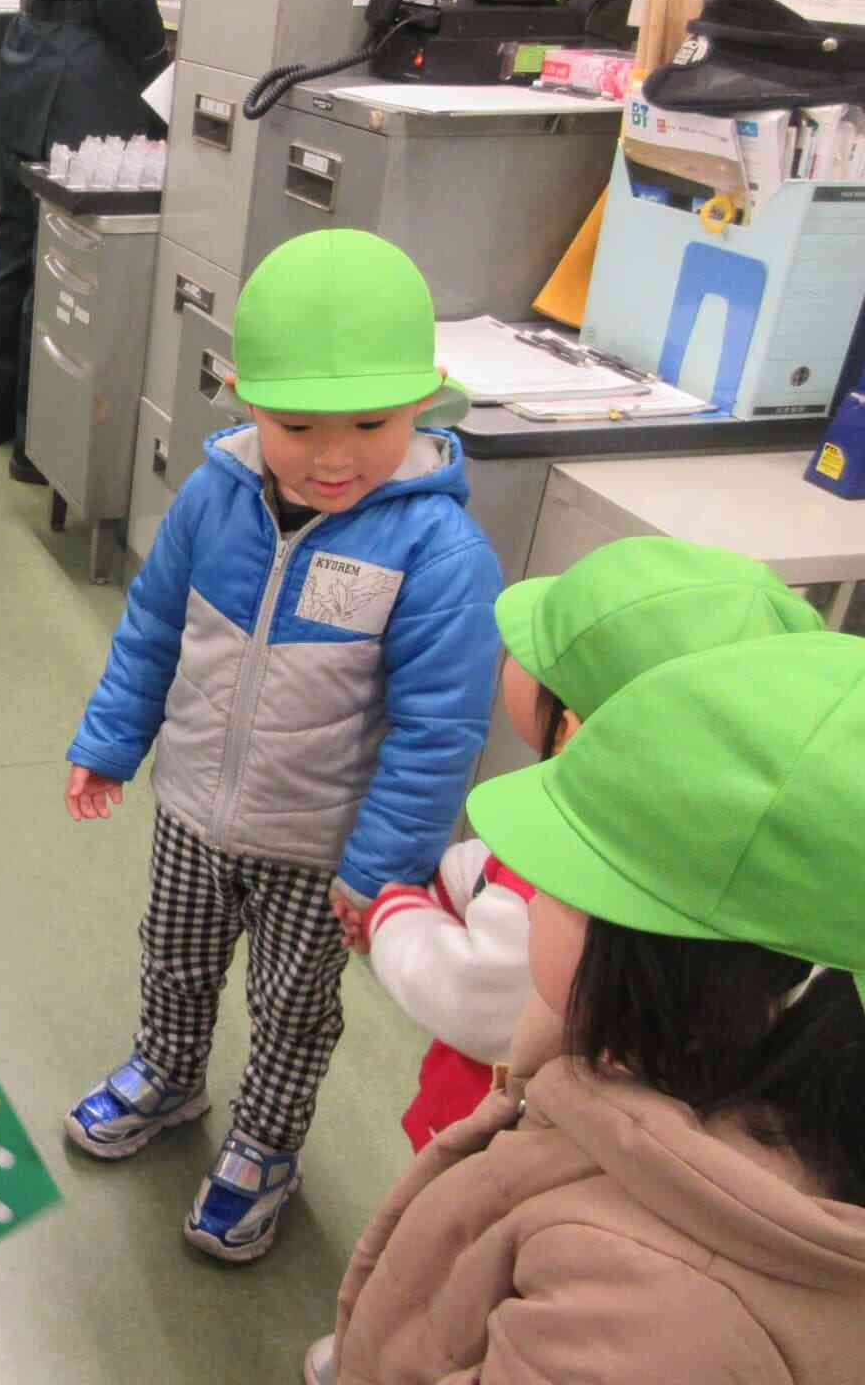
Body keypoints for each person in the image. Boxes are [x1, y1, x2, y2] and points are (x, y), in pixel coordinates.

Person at [61, 229, 502, 1263]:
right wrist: (110, 741)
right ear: (241, 398)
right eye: (296, 425)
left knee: (292, 1009)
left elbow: (439, 732)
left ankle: (264, 1143)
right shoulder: (212, 497)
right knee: (172, 958)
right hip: (191, 807)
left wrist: (381, 871)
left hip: (320, 845)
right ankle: (169, 1073)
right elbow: (151, 626)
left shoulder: (438, 553)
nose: (332, 456)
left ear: (424, 404)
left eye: (371, 424)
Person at [306, 631, 865, 1385]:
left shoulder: (657, 1317)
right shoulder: (675, 1064)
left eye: (566, 876)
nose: (532, 893)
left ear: (665, 958)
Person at [365, 536, 822, 1150]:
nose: (513, 658)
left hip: (494, 1128)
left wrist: (394, 916)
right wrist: (447, 883)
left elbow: (470, 994)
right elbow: (488, 868)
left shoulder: (575, 880)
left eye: (538, 655)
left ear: (574, 728)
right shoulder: (731, 860)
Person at [0, 0, 169, 480]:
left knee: (15, 239)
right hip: (86, 66)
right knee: (66, 255)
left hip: (28, 51)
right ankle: (39, 446)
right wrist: (155, 61)